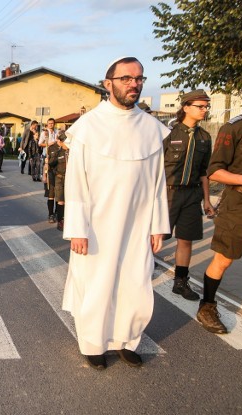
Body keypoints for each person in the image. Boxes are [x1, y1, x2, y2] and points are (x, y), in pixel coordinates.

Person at [62, 57, 170, 370]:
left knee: (135, 282)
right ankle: (93, 343)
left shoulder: (151, 128)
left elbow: (157, 182)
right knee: (98, 282)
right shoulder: (88, 126)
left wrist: (157, 225)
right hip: (96, 224)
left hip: (137, 223)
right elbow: (76, 181)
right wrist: (77, 228)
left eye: (138, 78)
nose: (133, 84)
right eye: (125, 78)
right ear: (108, 83)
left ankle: (127, 339)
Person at [197, 87, 242, 334]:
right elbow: (215, 171)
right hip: (239, 202)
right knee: (224, 258)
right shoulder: (235, 127)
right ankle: (207, 305)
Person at [163, 89, 215, 301]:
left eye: (206, 106)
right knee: (155, 237)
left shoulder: (204, 137)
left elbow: (204, 173)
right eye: (200, 106)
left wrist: (207, 201)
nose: (204, 110)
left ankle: (180, 282)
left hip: (192, 195)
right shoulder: (168, 134)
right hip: (167, 194)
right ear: (186, 107)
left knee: (186, 240)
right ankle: (140, 275)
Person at [47, 131, 69, 231]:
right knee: (60, 201)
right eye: (63, 142)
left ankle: (68, 220)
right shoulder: (58, 152)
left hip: (70, 178)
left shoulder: (73, 152)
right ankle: (60, 221)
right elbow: (51, 164)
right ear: (59, 142)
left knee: (69, 201)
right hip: (59, 178)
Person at [40, 118, 59, 221]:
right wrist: (51, 144)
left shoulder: (57, 132)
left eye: (52, 123)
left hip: (56, 155)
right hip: (47, 155)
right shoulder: (45, 133)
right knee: (50, 188)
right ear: (47, 124)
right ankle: (50, 213)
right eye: (49, 123)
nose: (51, 125)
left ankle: (57, 213)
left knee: (58, 190)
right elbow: (40, 144)